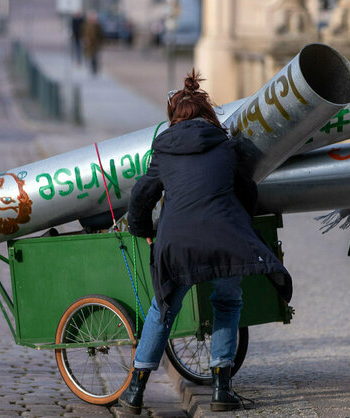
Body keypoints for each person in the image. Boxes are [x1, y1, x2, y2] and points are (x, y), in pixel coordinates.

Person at [120, 70, 291, 413]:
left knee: (163, 309)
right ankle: (220, 387)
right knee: (227, 303)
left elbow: (141, 196)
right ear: (208, 114)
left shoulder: (163, 150)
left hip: (178, 244)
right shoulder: (225, 147)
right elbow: (247, 190)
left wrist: (143, 230)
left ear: (173, 118)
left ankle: (134, 392)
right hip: (224, 238)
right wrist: (240, 215)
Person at [81, 11, 103, 76]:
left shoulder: (97, 25)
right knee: (89, 56)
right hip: (88, 43)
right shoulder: (85, 25)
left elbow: (100, 35)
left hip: (95, 44)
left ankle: (94, 69)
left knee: (95, 57)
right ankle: (90, 68)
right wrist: (84, 39)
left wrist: (100, 43)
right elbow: (83, 33)